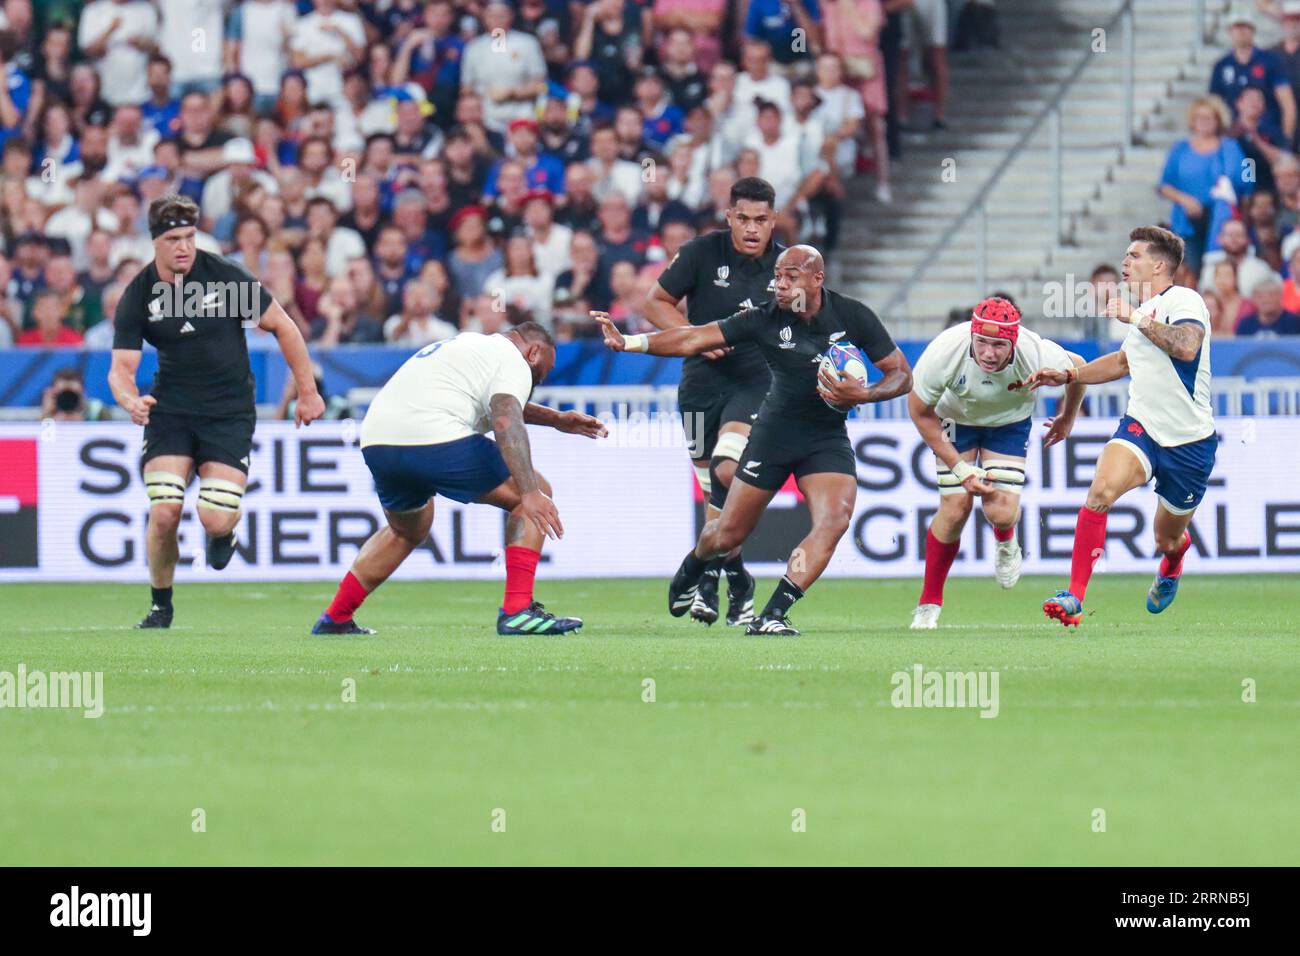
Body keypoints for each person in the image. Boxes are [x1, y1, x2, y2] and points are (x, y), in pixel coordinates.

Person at [596, 244, 912, 635]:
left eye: (790, 276)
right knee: (728, 533)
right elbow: (693, 339)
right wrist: (629, 342)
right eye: (777, 276)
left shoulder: (853, 314)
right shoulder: (762, 319)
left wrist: (865, 395)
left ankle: (773, 613)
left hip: (825, 437)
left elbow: (900, 373)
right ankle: (695, 564)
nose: (780, 284)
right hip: (773, 435)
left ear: (817, 279)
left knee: (834, 520)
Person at [107, 194, 324, 629]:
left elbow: (284, 326)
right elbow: (120, 370)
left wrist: (307, 391)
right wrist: (130, 400)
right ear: (155, 243)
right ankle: (160, 605)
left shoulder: (225, 278)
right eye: (173, 239)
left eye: (189, 236)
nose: (184, 246)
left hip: (228, 412)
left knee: (214, 515)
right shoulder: (139, 294)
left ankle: (223, 532)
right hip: (170, 411)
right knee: (165, 508)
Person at [312, 323, 608, 636]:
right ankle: (518, 611)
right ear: (533, 352)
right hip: (431, 435)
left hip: (377, 440)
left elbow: (495, 401)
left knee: (406, 529)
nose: (537, 381)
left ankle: (336, 617)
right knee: (535, 494)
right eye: (540, 374)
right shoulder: (514, 361)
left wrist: (556, 419)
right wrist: (529, 491)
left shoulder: (471, 346)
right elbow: (506, 415)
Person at [1026, 226, 1217, 627]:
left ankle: (1174, 559)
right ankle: (1075, 596)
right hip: (1142, 428)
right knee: (1100, 491)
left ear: (1160, 264)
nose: (1125, 263)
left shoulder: (1184, 299)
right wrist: (1068, 377)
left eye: (1134, 256)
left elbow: (1186, 345)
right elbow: (1122, 363)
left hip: (1189, 443)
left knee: (1166, 538)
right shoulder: (1140, 312)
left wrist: (1134, 316)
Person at [644, 176, 783, 627]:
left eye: (761, 219)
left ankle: (704, 575)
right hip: (700, 383)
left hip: (756, 382)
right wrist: (696, 340)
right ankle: (735, 579)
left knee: (728, 466)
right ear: (729, 217)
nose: (751, 228)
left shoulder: (786, 266)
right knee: (714, 492)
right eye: (743, 218)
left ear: (773, 221)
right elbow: (656, 302)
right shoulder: (702, 252)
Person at [906, 297, 1086, 629]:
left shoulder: (1036, 352)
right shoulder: (946, 350)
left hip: (1008, 424)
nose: (989, 353)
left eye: (999, 345)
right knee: (956, 507)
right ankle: (929, 602)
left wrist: (1066, 418)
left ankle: (1006, 541)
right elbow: (918, 411)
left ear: (1014, 342)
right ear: (971, 336)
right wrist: (961, 470)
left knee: (1000, 512)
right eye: (982, 342)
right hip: (954, 421)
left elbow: (1080, 371)